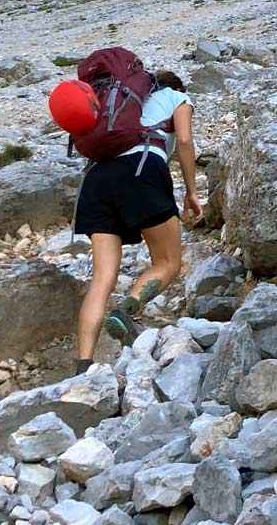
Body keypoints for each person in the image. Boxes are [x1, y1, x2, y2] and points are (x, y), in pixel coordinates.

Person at [70, 67, 201, 370]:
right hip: (141, 169)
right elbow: (183, 141)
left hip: (96, 178)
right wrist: (192, 192)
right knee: (167, 262)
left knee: (102, 278)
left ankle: (82, 367)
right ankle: (127, 310)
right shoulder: (177, 96)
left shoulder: (124, 106)